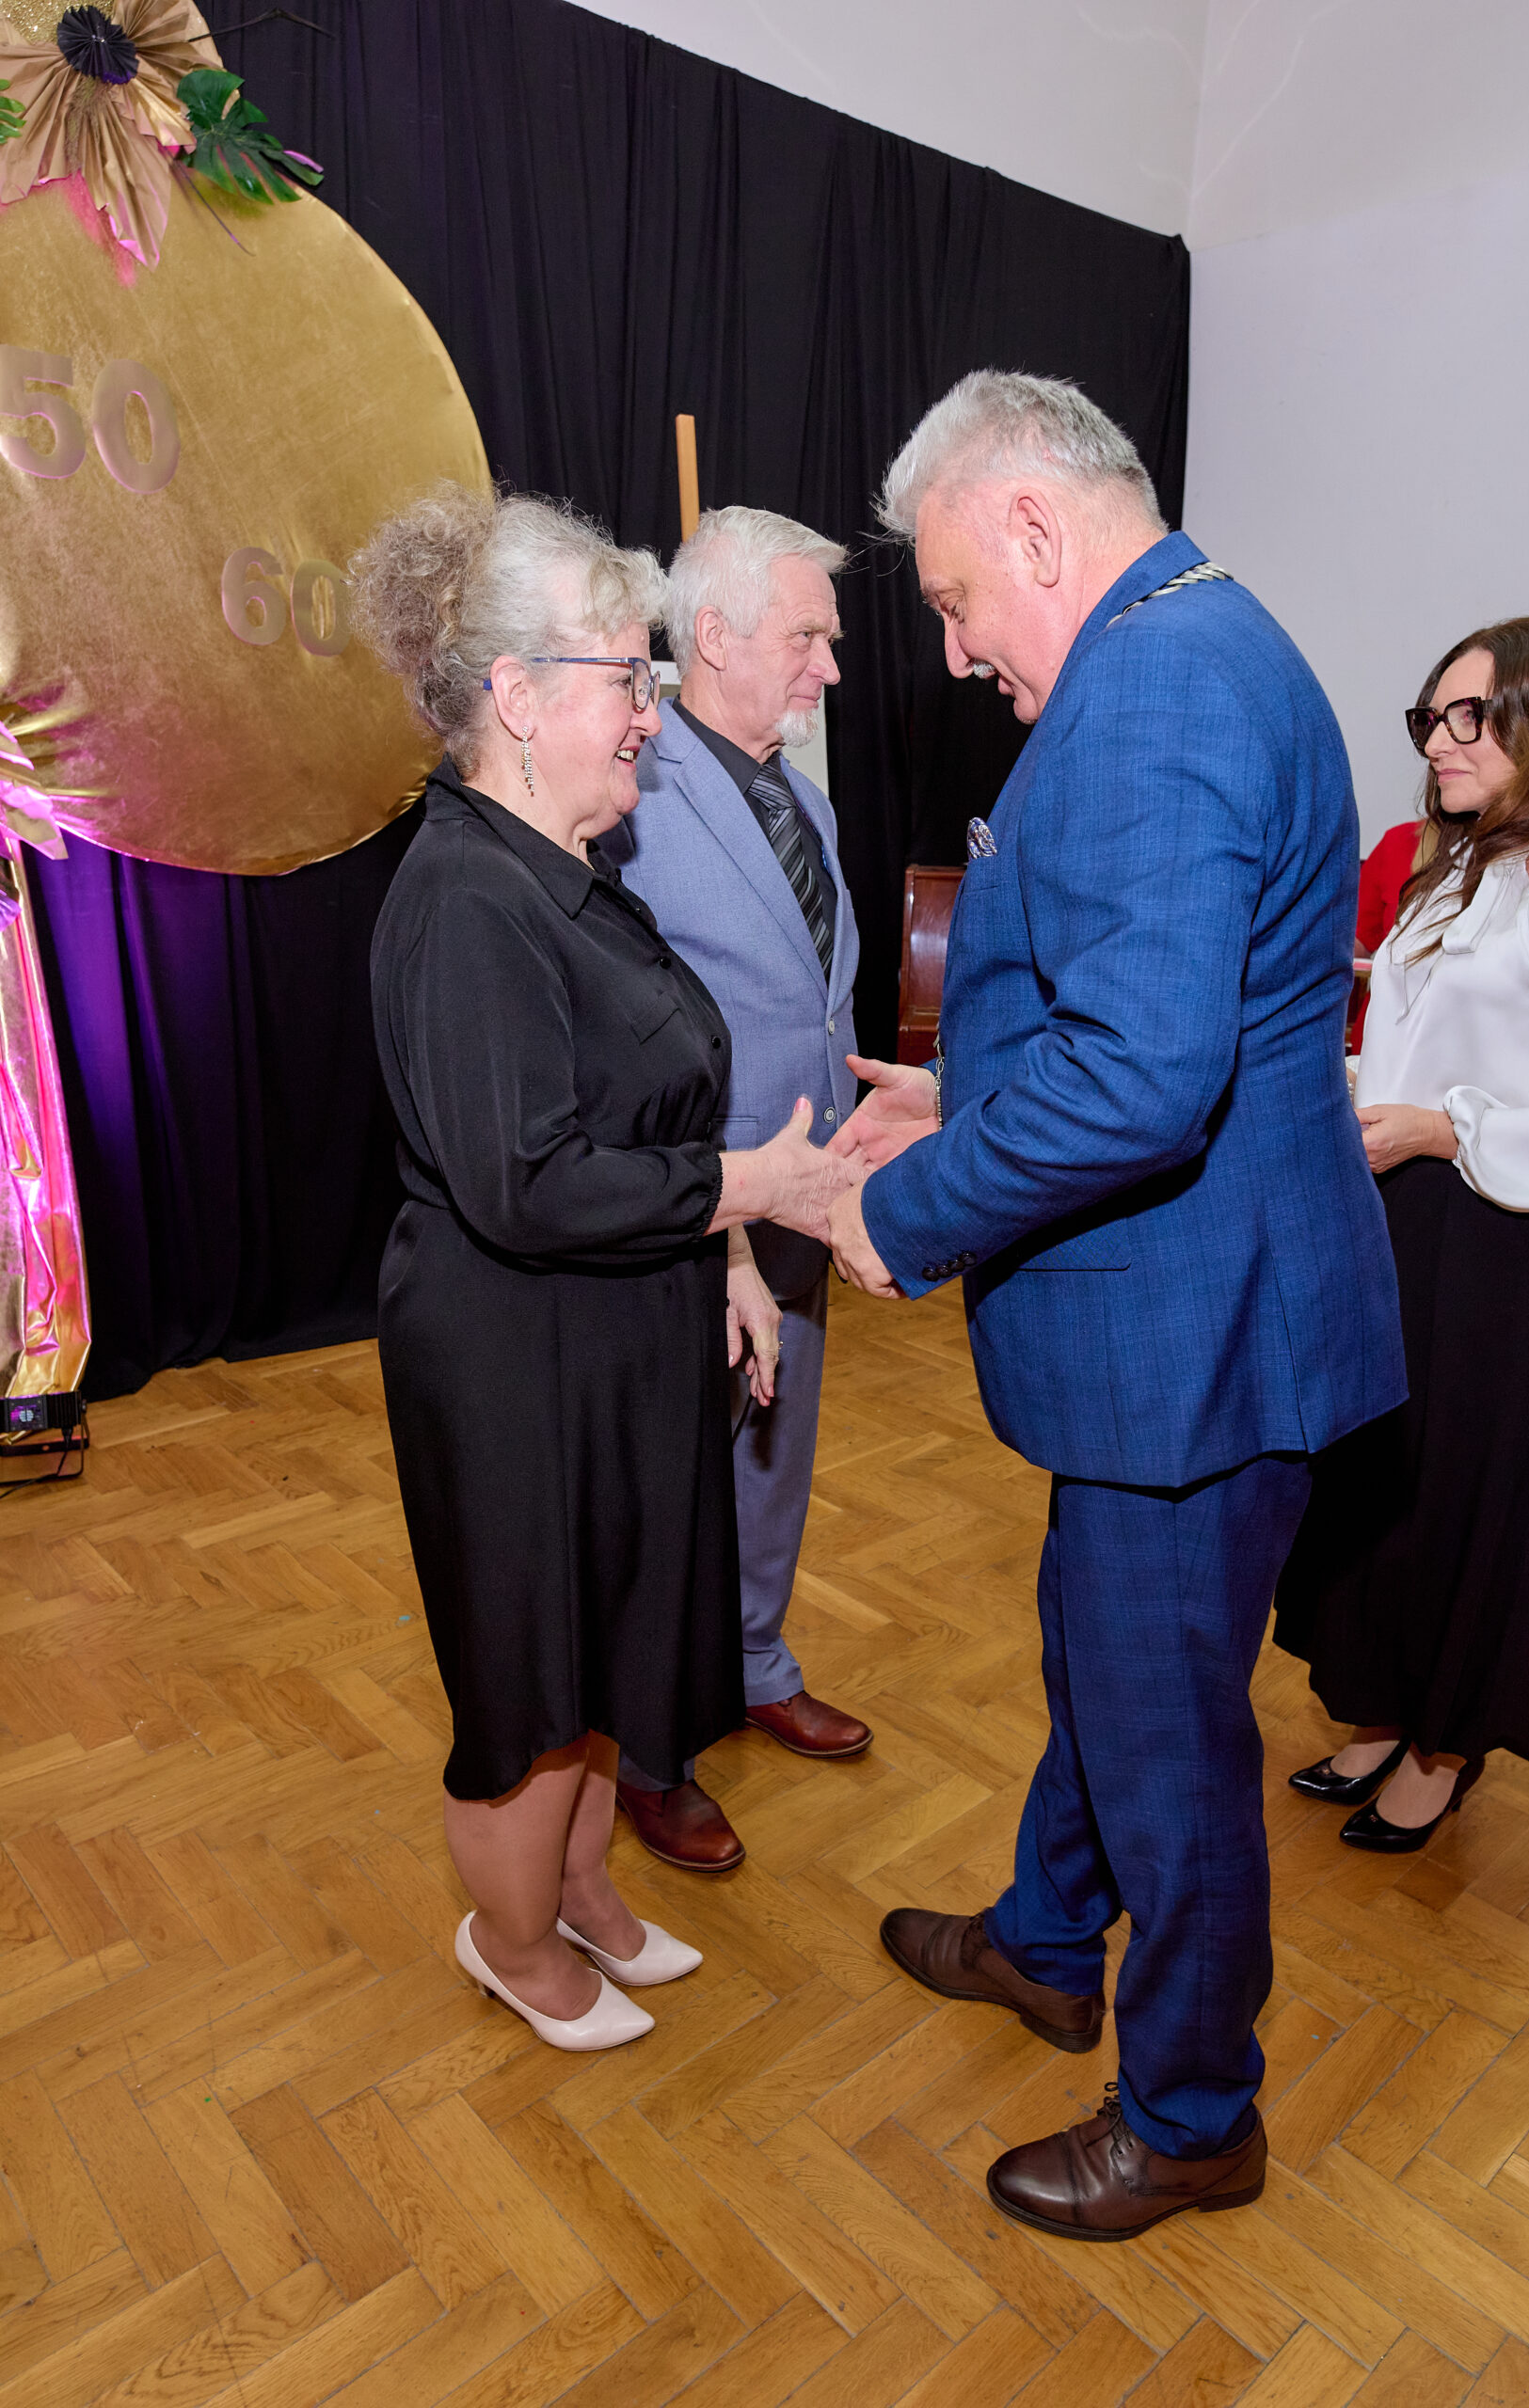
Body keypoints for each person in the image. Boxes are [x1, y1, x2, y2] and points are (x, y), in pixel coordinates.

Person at [825, 371, 1404, 2241]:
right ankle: (1045, 1935)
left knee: (1164, 1739)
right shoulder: (1195, 642)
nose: (952, 647)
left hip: (1191, 1338)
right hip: (1201, 1312)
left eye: (949, 600)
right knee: (1106, 1659)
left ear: (1030, 526)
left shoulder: (1153, 685)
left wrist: (904, 1211)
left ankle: (1188, 2110)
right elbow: (1147, 1009)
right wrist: (957, 1093)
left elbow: (1144, 1079)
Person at [353, 485, 851, 2053]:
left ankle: (580, 1892)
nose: (649, 712)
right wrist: (750, 1188)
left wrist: (728, 1259)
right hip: (513, 1361)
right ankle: (513, 1941)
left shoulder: (571, 863)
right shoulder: (464, 896)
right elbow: (528, 1181)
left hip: (617, 1329)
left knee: (597, 1642)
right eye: (628, 678)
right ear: (515, 695)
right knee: (528, 1675)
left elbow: (643, 1108)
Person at [1277, 619, 1529, 1850]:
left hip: (1518, 1243)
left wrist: (1445, 1126)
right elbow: (1407, 1035)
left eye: (1470, 716)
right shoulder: (1457, 860)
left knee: (1473, 1500)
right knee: (1383, 1482)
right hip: (1408, 1216)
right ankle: (1378, 1705)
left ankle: (1440, 1745)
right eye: (1431, 717)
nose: (1437, 742)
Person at [604, 506, 870, 1873]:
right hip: (692, 1217)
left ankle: (756, 1658)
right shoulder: (631, 792)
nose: (831, 665)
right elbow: (619, 1028)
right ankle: (649, 1748)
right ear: (711, 635)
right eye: (808, 636)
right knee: (672, 1488)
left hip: (805, 1202)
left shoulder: (804, 800)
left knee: (774, 1460)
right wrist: (716, 1220)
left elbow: (813, 1002)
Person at [1351, 818, 1424, 1046]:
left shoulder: (1511, 858)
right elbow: (1357, 940)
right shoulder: (1400, 841)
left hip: (1453, 1041)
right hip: (1380, 1037)